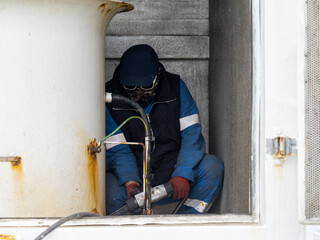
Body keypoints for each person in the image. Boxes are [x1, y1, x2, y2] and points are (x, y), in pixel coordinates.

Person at [105, 44, 224, 214]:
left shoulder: (175, 88)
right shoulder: (109, 97)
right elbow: (117, 149)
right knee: (108, 190)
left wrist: (182, 174)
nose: (138, 93)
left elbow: (191, 135)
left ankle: (185, 225)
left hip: (172, 170)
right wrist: (130, 182)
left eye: (145, 87)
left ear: (158, 74)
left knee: (212, 167)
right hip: (133, 176)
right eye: (130, 87)